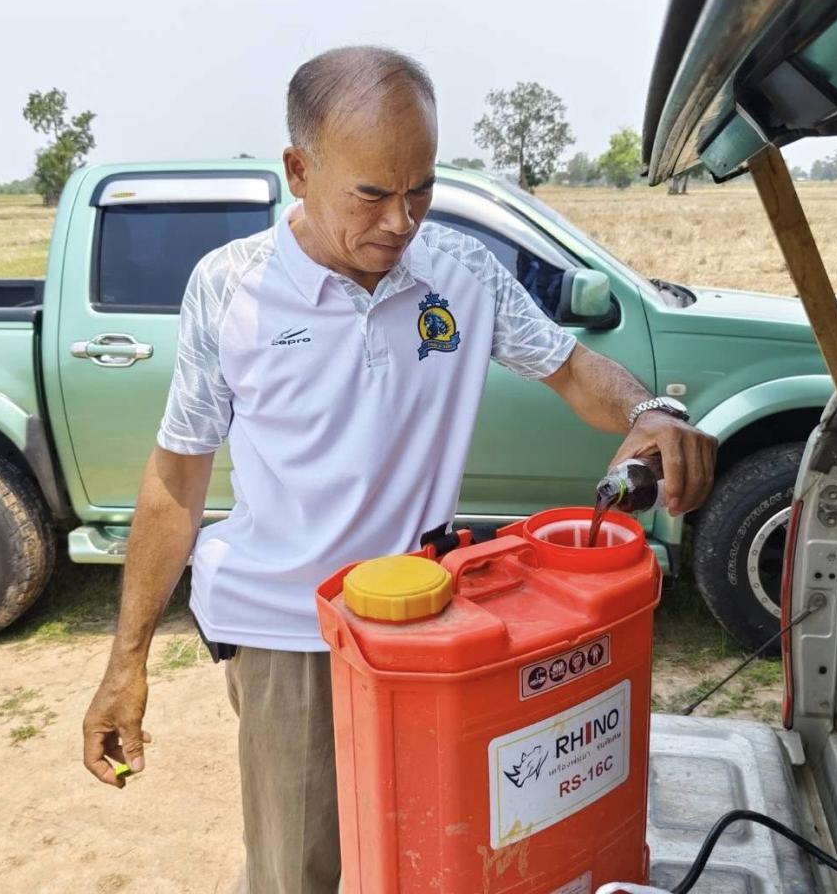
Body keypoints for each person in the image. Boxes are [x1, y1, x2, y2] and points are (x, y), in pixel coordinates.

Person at [81, 45, 718, 893]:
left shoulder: (461, 273)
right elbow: (177, 480)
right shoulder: (230, 289)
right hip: (292, 631)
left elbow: (571, 370)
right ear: (299, 171)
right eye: (372, 194)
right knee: (301, 869)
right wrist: (126, 661)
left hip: (428, 622)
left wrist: (650, 412)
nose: (401, 220)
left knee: (433, 853)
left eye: (421, 189)